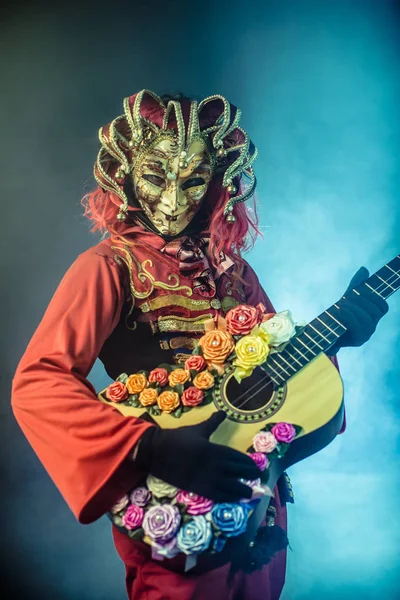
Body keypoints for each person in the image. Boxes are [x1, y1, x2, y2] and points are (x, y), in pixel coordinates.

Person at [11, 90, 388, 600]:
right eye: (154, 176)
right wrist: (148, 446)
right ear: (124, 176)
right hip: (172, 492)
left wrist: (337, 336)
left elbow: (285, 375)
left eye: (192, 180)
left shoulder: (236, 274)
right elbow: (39, 382)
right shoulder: (107, 267)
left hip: (255, 487)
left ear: (217, 182)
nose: (172, 200)